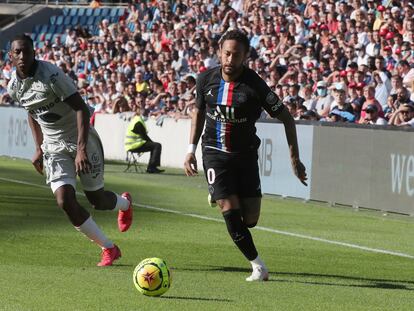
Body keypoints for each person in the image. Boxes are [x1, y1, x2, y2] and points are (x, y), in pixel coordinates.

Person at [184, 30, 307, 282]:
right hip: (214, 153)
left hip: (245, 155)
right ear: (219, 51)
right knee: (229, 208)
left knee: (250, 220)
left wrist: (295, 159)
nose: (230, 59)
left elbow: (286, 118)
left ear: (245, 56)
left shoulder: (255, 86)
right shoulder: (205, 79)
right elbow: (197, 113)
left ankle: (219, 191)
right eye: (226, 53)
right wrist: (190, 150)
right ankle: (258, 266)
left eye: (236, 55)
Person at [7, 34, 133, 267]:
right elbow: (31, 112)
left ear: (34, 53)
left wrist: (81, 150)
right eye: (18, 52)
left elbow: (82, 110)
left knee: (97, 199)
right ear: (11, 56)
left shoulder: (52, 76)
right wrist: (39, 148)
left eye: (27, 51)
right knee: (65, 201)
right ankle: (109, 247)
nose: (23, 56)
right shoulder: (14, 86)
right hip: (53, 147)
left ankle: (124, 204)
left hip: (80, 139)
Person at [125, 103, 164, 174]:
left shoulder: (136, 120)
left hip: (131, 145)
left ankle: (151, 167)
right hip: (134, 145)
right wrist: (152, 143)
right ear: (141, 114)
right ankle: (152, 167)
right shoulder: (138, 122)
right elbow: (144, 137)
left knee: (154, 146)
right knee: (157, 146)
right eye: (146, 114)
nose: (147, 116)